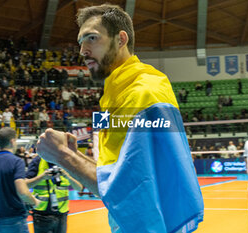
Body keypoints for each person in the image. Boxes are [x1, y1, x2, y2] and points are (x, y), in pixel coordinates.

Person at [36, 4, 203, 233]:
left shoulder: (145, 93)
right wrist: (75, 155)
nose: (83, 50)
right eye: (80, 42)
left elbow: (131, 186)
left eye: (92, 38)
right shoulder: (110, 99)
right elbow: (113, 172)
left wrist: (63, 156)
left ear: (121, 39)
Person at [0, 127, 40, 233]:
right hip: (15, 221)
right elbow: (23, 192)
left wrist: (0, 199)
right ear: (12, 141)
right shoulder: (16, 162)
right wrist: (34, 201)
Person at [26, 156, 83, 233]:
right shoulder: (38, 162)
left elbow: (79, 188)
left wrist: (68, 177)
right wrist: (41, 177)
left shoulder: (66, 162)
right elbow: (25, 185)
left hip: (62, 215)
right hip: (42, 215)